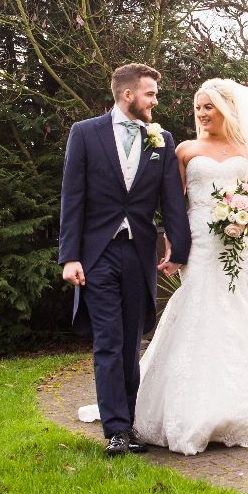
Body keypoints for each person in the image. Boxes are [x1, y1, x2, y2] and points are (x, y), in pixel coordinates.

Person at [87, 77, 248, 455]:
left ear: (226, 110)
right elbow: (174, 201)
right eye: (198, 107)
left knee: (239, 308)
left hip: (238, 243)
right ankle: (189, 407)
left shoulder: (247, 150)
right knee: (199, 307)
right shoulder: (185, 149)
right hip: (201, 242)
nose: (202, 114)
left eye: (209, 107)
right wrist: (174, 245)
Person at [58, 63, 191, 456]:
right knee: (109, 340)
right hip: (97, 254)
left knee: (132, 341)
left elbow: (171, 200)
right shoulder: (85, 133)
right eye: (150, 94)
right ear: (128, 94)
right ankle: (116, 429)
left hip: (138, 253)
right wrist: (70, 257)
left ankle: (129, 424)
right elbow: (72, 198)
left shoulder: (161, 139)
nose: (155, 101)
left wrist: (179, 250)